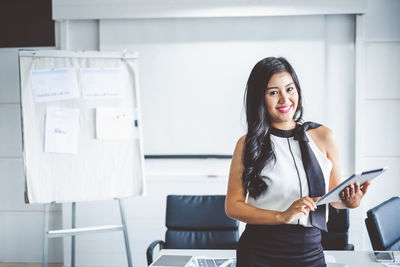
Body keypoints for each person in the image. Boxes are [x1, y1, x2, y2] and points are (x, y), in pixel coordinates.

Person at [225, 57, 370, 267]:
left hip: (310, 251)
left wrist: (350, 201)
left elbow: (333, 196)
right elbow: (233, 206)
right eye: (273, 92)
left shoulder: (324, 136)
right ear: (260, 98)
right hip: (259, 252)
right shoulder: (248, 144)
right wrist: (281, 216)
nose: (285, 99)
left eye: (290, 89)